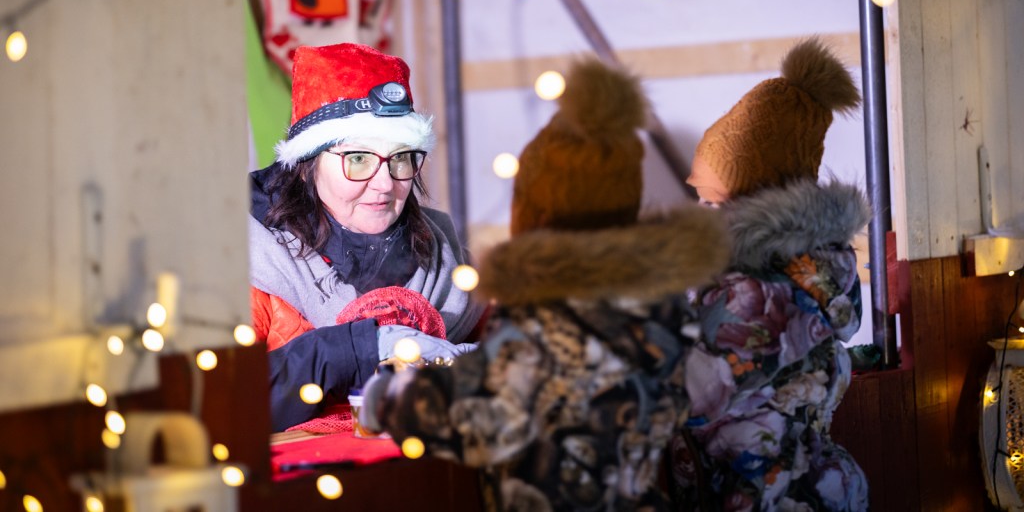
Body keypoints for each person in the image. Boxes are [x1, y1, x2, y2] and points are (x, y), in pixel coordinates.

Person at [362, 59, 731, 510]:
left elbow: (481, 415)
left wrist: (390, 398)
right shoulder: (664, 305)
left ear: (535, 215)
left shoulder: (551, 313)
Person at [672, 37, 871, 511]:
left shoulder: (755, 297)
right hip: (818, 491)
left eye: (711, 201)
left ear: (753, 208)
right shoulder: (816, 272)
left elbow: (682, 396)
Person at [249, 42, 487, 432]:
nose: (385, 184)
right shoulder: (251, 262)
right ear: (307, 165)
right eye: (358, 159)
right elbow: (220, 401)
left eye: (400, 157)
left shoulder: (447, 257)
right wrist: (362, 348)